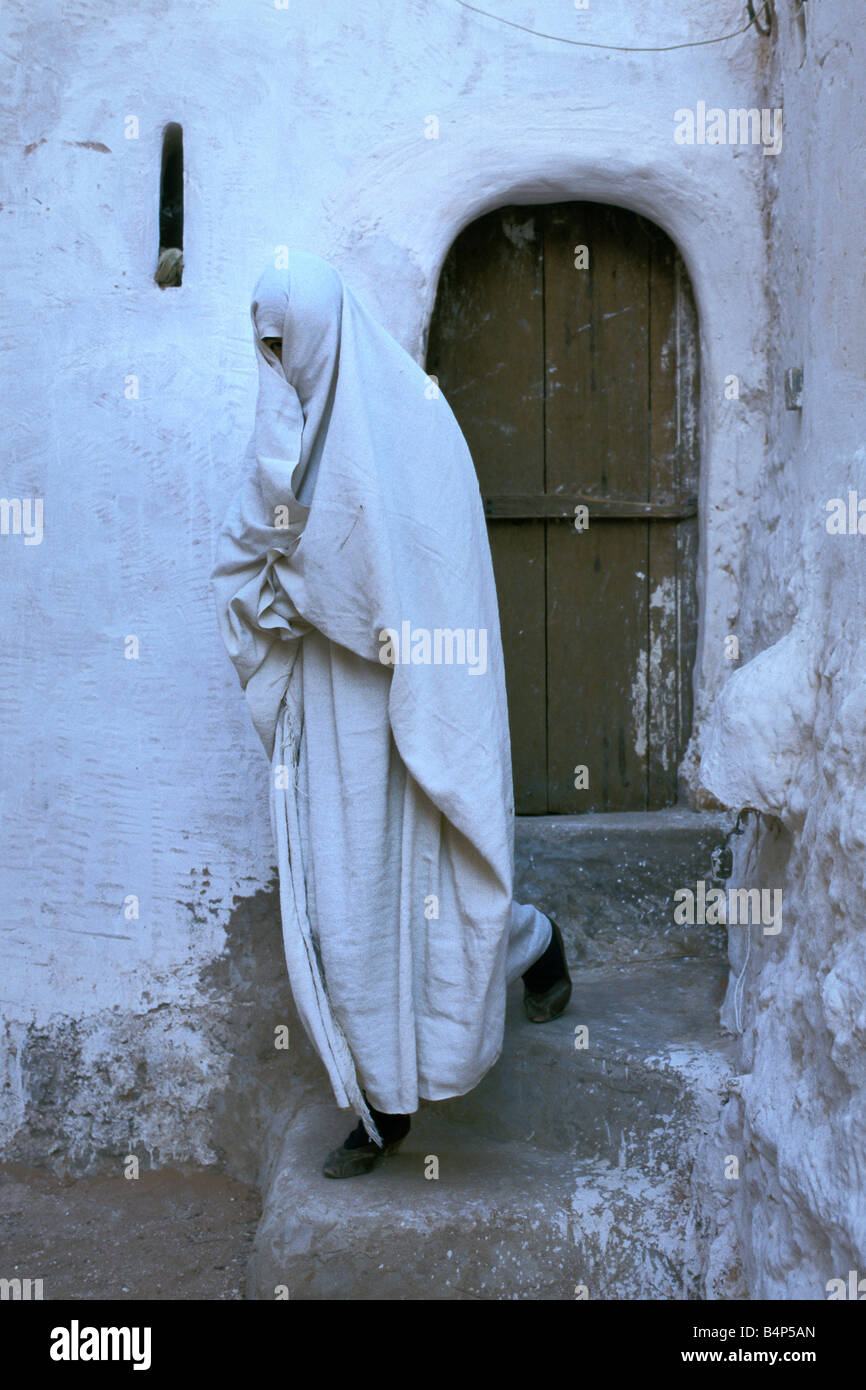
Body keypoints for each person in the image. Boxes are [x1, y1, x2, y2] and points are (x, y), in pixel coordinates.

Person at [211, 251, 571, 1179]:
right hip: (335, 713)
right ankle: (379, 1104)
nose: (280, 363)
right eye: (267, 346)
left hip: (415, 706)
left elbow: (421, 570)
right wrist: (283, 579)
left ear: (326, 327)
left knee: (441, 892)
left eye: (290, 342)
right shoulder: (283, 448)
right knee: (351, 903)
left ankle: (532, 944)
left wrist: (311, 589)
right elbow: (255, 567)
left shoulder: (417, 421)